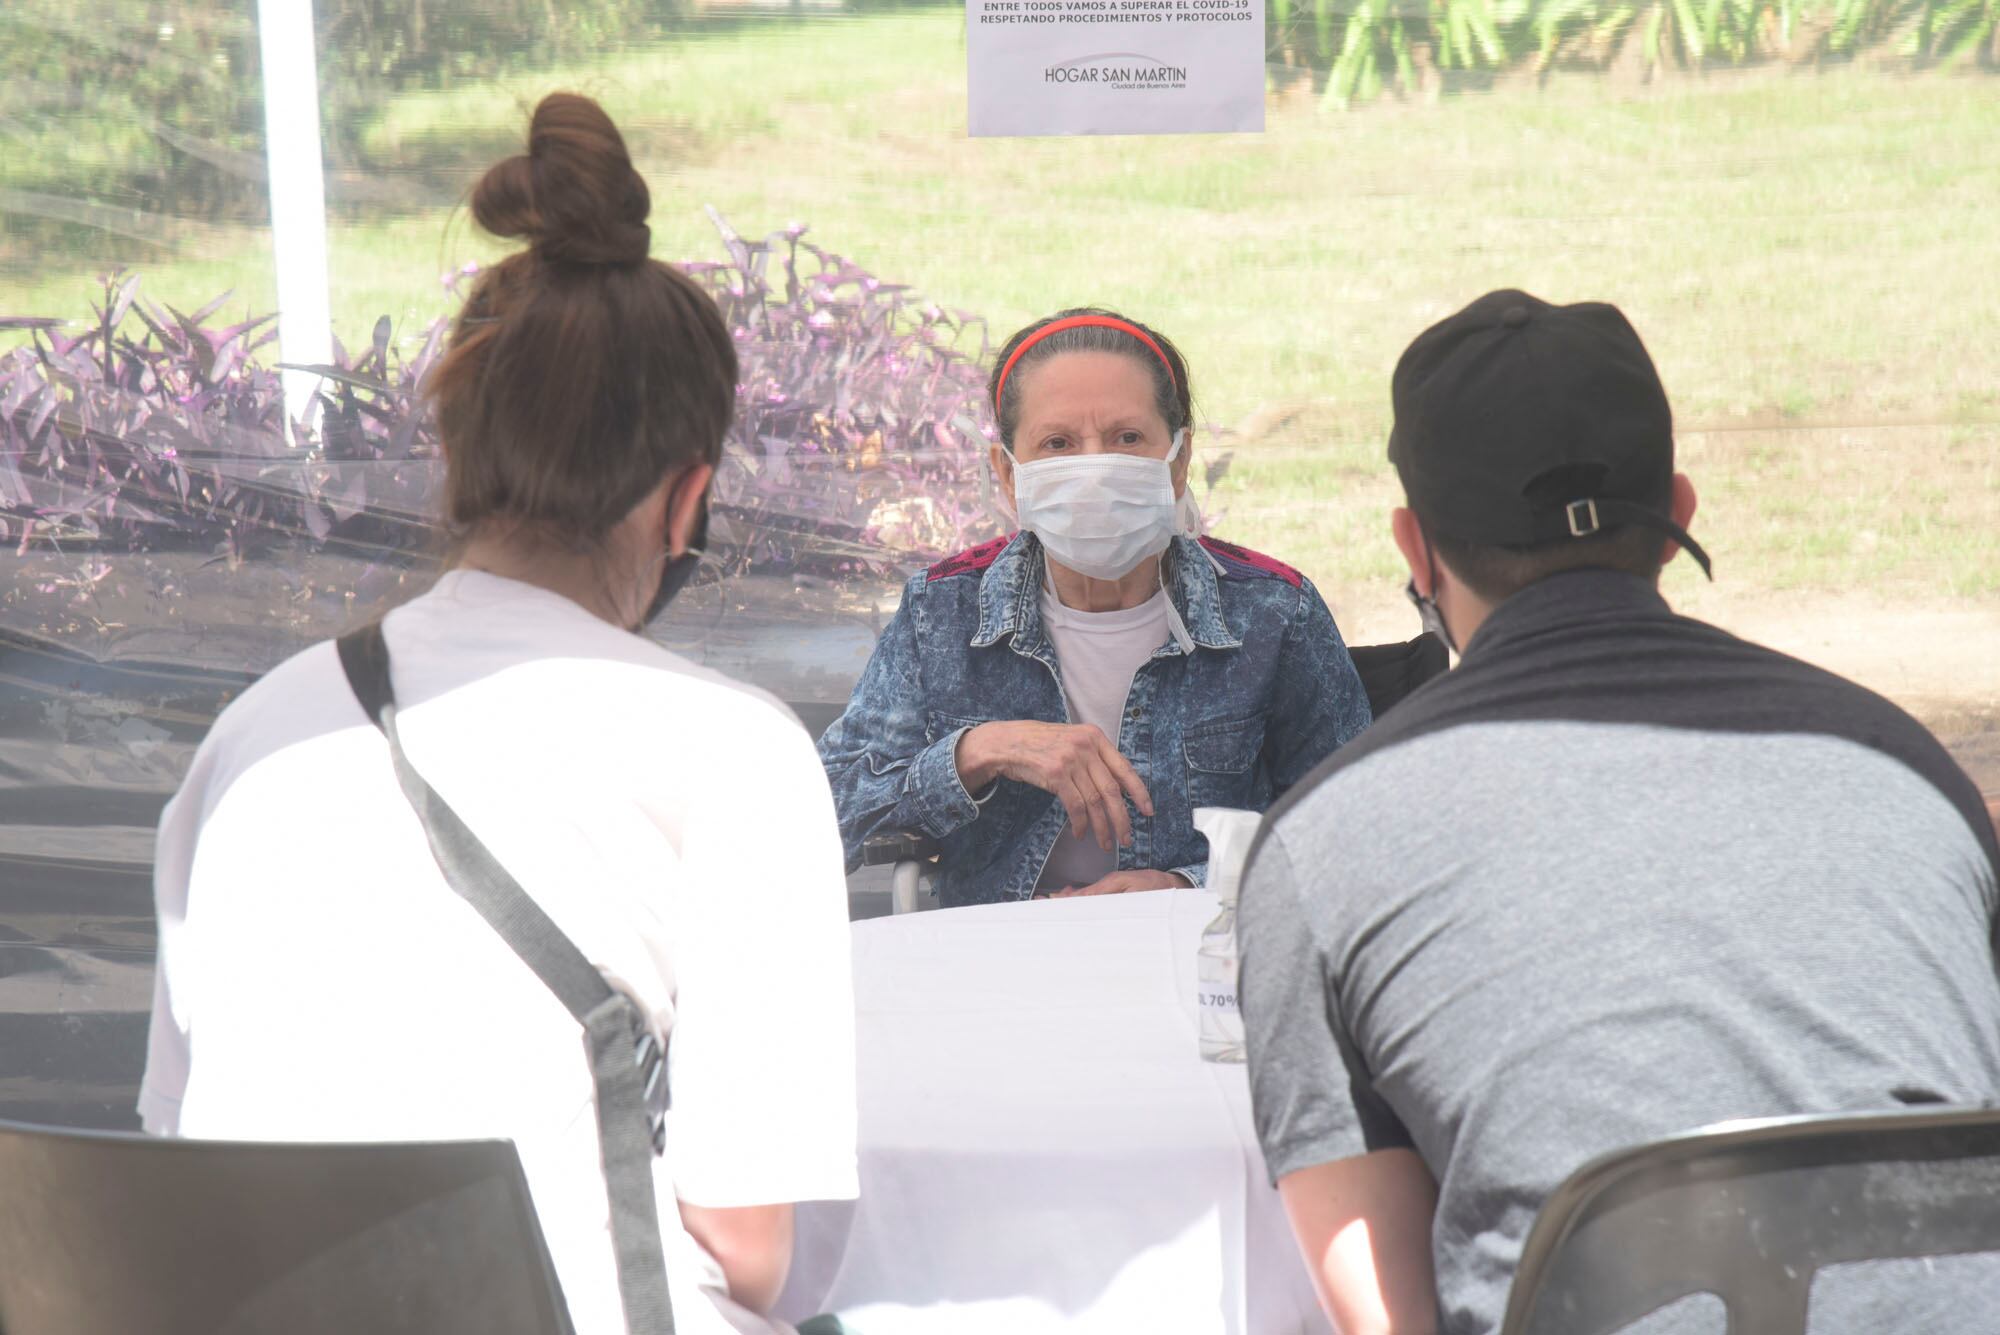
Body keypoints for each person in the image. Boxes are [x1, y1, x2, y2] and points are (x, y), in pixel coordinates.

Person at [139, 94, 857, 1335]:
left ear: (457, 458)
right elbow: (749, 1250)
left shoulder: (257, 733)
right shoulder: (735, 752)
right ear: (684, 502)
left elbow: (178, 1131)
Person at [1238, 290, 2000, 1335]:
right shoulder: (1902, 764)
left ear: (1415, 550)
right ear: (1677, 511)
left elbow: (1385, 1315)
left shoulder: (1319, 844)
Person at [817, 308, 1372, 907]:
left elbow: (1354, 828)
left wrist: (1185, 886)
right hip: (1000, 957)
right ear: (1008, 473)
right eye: (1057, 445)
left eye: (1126, 439)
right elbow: (823, 814)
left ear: (1179, 462)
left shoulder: (1271, 610)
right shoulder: (943, 610)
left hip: (1192, 954)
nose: (1093, 470)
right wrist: (980, 751)